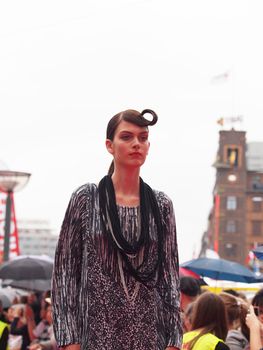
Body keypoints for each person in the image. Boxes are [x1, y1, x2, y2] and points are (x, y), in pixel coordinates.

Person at [51, 109, 182, 350]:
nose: (136, 144)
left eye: (143, 138)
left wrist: (173, 341)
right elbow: (65, 275)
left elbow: (169, 279)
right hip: (95, 337)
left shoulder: (161, 205)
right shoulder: (86, 199)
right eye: (127, 137)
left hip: (149, 338)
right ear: (110, 145)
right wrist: (69, 340)